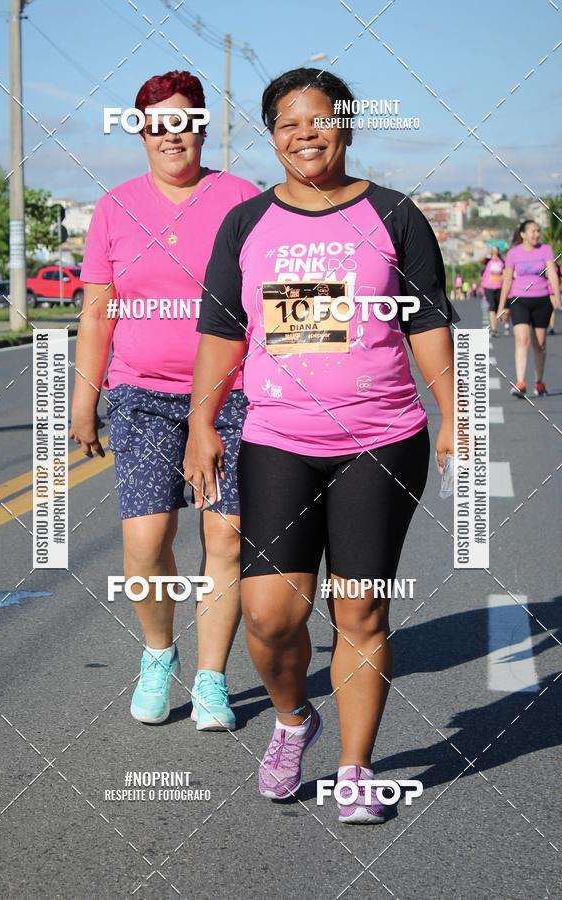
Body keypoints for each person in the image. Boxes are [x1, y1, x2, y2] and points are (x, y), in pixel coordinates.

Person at [183, 68, 456, 823]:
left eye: (320, 120)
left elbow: (427, 320)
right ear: (272, 135)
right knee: (270, 615)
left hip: (381, 438)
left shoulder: (395, 215)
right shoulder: (245, 224)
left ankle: (357, 769)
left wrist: (453, 409)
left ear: (347, 126)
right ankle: (295, 719)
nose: (305, 135)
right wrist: (203, 423)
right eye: (287, 124)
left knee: (359, 611)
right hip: (277, 439)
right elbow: (220, 333)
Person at [70, 71, 258, 730]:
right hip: (142, 396)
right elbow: (98, 314)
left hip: (231, 394)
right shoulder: (114, 209)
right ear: (142, 132)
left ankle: (211, 680)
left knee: (226, 538)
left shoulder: (242, 200)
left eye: (183, 121)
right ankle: (158, 654)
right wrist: (83, 401)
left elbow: (265, 302)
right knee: (147, 543)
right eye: (157, 123)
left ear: (201, 128)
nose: (171, 135)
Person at [497, 220, 560, 397]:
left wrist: (557, 296)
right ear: (523, 234)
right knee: (522, 339)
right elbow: (507, 281)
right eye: (533, 231)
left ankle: (539, 382)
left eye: (538, 231)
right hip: (519, 300)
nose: (536, 234)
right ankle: (520, 382)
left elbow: (552, 273)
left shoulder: (545, 249)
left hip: (542, 300)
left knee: (540, 344)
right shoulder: (513, 253)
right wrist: (502, 306)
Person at [481, 246, 505, 336]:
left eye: (496, 250)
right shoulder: (488, 260)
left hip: (499, 287)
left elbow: (506, 273)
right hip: (488, 287)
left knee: (498, 308)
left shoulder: (502, 262)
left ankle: (495, 327)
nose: (494, 252)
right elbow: (481, 259)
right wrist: (488, 251)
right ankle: (494, 329)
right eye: (493, 250)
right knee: (492, 306)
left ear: (498, 251)